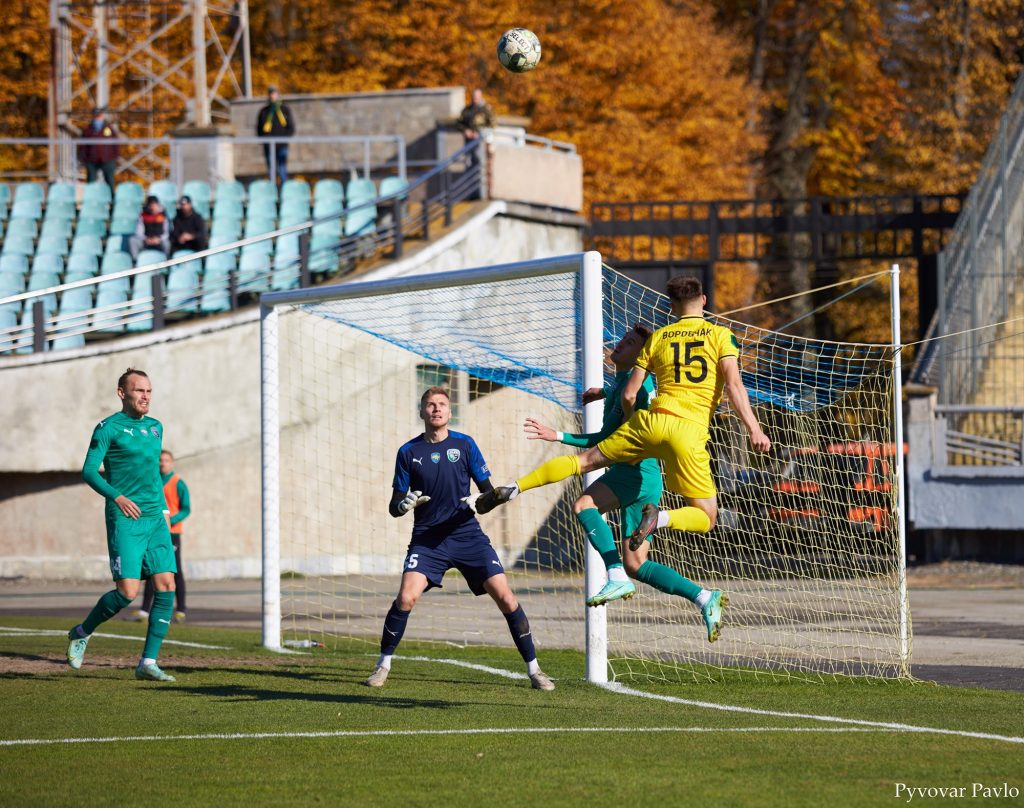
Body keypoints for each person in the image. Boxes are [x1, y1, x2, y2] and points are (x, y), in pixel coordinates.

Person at [474, 276, 772, 642]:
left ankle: (518, 487)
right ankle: (663, 532)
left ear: (669, 306)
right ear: (705, 300)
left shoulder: (660, 337)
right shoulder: (719, 336)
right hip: (687, 434)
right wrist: (755, 429)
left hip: (649, 432)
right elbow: (734, 385)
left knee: (585, 474)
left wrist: (628, 423)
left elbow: (632, 394)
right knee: (703, 518)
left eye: (627, 341)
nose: (619, 344)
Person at [364, 386, 555, 690]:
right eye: (430, 404)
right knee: (406, 597)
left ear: (450, 412)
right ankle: (382, 665)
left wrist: (484, 500)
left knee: (506, 597)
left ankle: (535, 671)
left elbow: (488, 492)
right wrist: (403, 504)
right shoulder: (408, 452)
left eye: (442, 404)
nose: (436, 409)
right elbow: (394, 507)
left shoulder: (465, 445)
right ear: (422, 412)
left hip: (467, 535)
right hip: (428, 540)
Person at [67, 368, 179, 682]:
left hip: (155, 518)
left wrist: (164, 510)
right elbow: (89, 472)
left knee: (166, 585)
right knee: (127, 593)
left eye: (149, 391)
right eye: (139, 391)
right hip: (125, 518)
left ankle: (147, 662)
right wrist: (117, 497)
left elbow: (152, 475)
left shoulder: (156, 428)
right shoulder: (108, 428)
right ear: (122, 393)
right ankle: (81, 632)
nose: (145, 397)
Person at [138, 450, 190, 622]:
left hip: (171, 532)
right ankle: (145, 610)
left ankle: (181, 609)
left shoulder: (178, 483)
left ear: (172, 462)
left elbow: (186, 508)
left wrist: (171, 520)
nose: (162, 463)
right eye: (160, 460)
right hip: (154, 531)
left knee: (175, 571)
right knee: (153, 569)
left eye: (166, 460)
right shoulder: (153, 481)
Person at [256, 85, 295, 185]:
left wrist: (284, 139)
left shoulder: (284, 109)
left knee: (282, 170)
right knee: (271, 172)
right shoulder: (264, 111)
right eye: (270, 94)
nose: (272, 96)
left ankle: (283, 193)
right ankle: (273, 192)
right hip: (269, 147)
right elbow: (259, 129)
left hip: (282, 146)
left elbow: (291, 128)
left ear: (277, 94)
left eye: (274, 93)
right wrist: (265, 140)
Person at [78, 108, 119, 187]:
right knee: (91, 181)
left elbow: (115, 144)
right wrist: (84, 158)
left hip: (108, 159)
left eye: (99, 116)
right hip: (91, 160)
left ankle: (111, 198)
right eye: (96, 116)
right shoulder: (88, 130)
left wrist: (114, 157)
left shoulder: (109, 129)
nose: (98, 119)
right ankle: (90, 198)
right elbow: (83, 146)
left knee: (110, 181)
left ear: (102, 116)